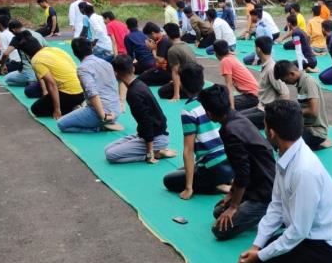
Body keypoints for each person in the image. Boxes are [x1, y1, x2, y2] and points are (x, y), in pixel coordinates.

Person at [238, 100, 332, 263]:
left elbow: (299, 230)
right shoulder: (284, 153)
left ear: (271, 132)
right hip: (304, 234)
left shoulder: (304, 170)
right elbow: (276, 204)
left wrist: (260, 256)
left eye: (265, 125)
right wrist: (257, 247)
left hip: (324, 241)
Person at [197, 85, 276, 240]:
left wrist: (233, 207)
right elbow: (241, 167)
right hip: (255, 183)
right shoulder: (236, 118)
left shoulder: (230, 131)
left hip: (266, 191)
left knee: (219, 230)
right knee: (218, 211)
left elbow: (243, 173)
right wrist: (232, 194)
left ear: (209, 113)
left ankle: (275, 212)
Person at [161, 64, 234, 199]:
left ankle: (217, 186)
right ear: (202, 81)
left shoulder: (189, 110)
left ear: (182, 85)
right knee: (183, 170)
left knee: (169, 180)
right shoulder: (215, 98)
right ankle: (224, 180)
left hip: (213, 169)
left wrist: (189, 188)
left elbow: (188, 150)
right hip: (230, 163)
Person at [105, 55, 176, 163]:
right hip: (151, 133)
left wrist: (149, 154)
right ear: (133, 69)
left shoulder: (133, 93)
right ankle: (154, 149)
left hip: (155, 137)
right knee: (107, 149)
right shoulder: (139, 84)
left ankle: (156, 153)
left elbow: (146, 122)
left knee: (111, 155)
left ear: (115, 73)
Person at [57, 38, 123, 133]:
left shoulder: (83, 68)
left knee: (61, 124)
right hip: (116, 111)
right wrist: (121, 102)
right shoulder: (106, 63)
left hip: (103, 114)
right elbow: (119, 81)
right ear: (91, 48)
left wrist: (103, 116)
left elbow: (92, 93)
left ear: (74, 53)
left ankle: (98, 128)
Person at [14, 37, 84, 119]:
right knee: (32, 92)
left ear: (26, 53)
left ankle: (72, 109)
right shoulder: (54, 49)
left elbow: (51, 84)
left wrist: (57, 110)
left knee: (36, 109)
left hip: (71, 94)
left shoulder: (36, 60)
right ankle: (74, 105)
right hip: (82, 91)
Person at [274, 59, 332, 150]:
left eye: (285, 80)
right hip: (305, 126)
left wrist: (291, 111)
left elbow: (313, 111)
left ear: (292, 74)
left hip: (315, 132)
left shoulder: (309, 83)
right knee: (277, 134)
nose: (286, 83)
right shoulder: (300, 83)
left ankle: (320, 143)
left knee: (285, 143)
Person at [242, 36, 287, 127]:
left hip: (266, 112)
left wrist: (276, 116)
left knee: (238, 122)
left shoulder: (271, 68)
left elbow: (285, 93)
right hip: (260, 106)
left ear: (258, 49)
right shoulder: (266, 65)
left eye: (255, 47)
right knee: (236, 116)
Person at [157, 22, 198, 101]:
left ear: (167, 35)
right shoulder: (186, 45)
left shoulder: (172, 50)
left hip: (188, 84)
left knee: (161, 92)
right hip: (196, 82)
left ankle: (188, 92)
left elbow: (175, 72)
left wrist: (176, 95)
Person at [213, 39, 258, 111]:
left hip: (253, 97)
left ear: (215, 53)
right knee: (223, 100)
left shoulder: (225, 61)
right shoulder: (231, 57)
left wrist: (232, 107)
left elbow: (229, 86)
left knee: (223, 104)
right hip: (254, 94)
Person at [0, 21, 44, 86]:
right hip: (42, 63)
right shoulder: (36, 34)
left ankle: (31, 82)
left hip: (29, 68)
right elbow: (46, 46)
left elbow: (5, 54)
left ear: (13, 30)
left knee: (7, 79)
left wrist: (2, 66)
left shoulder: (17, 38)